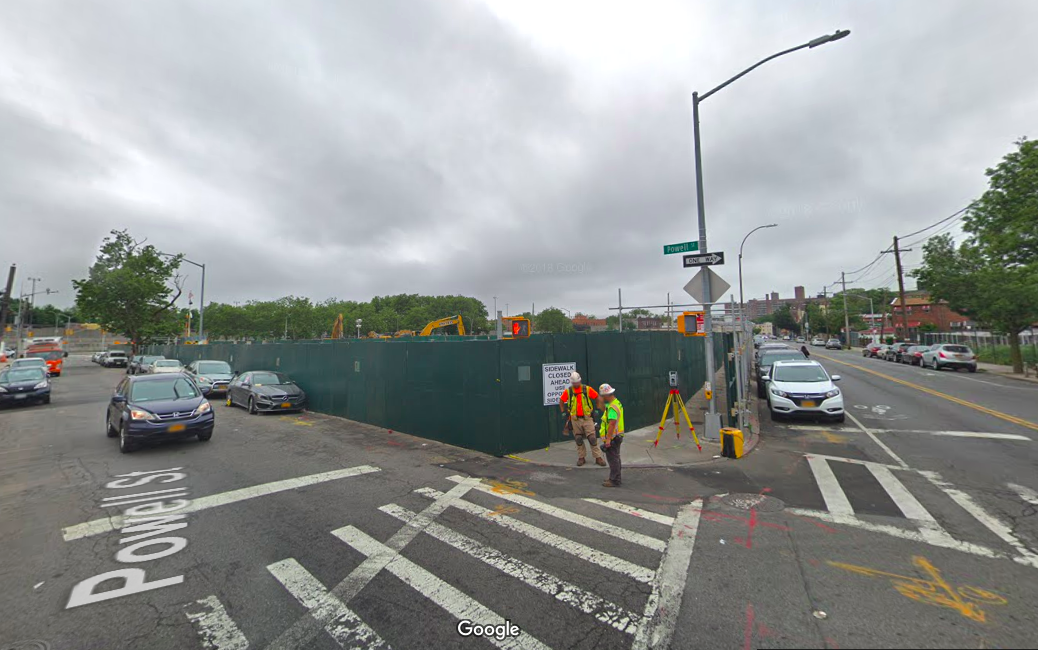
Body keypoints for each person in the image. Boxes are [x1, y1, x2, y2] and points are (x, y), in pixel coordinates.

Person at [559, 371, 606, 467]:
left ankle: (598, 457)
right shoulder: (569, 391)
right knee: (578, 439)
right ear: (572, 383)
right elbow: (561, 400)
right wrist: (563, 411)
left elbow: (597, 397)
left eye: (577, 383)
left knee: (592, 438)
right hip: (575, 419)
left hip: (587, 418)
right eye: (574, 383)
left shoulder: (587, 389)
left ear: (580, 381)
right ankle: (581, 457)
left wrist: (597, 408)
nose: (576, 385)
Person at [598, 383, 624, 487]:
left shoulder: (612, 407)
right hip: (617, 436)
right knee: (616, 458)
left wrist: (608, 439)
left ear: (607, 395)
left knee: (613, 459)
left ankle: (614, 480)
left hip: (613, 437)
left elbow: (612, 423)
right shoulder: (616, 403)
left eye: (603, 396)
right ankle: (615, 478)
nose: (602, 398)